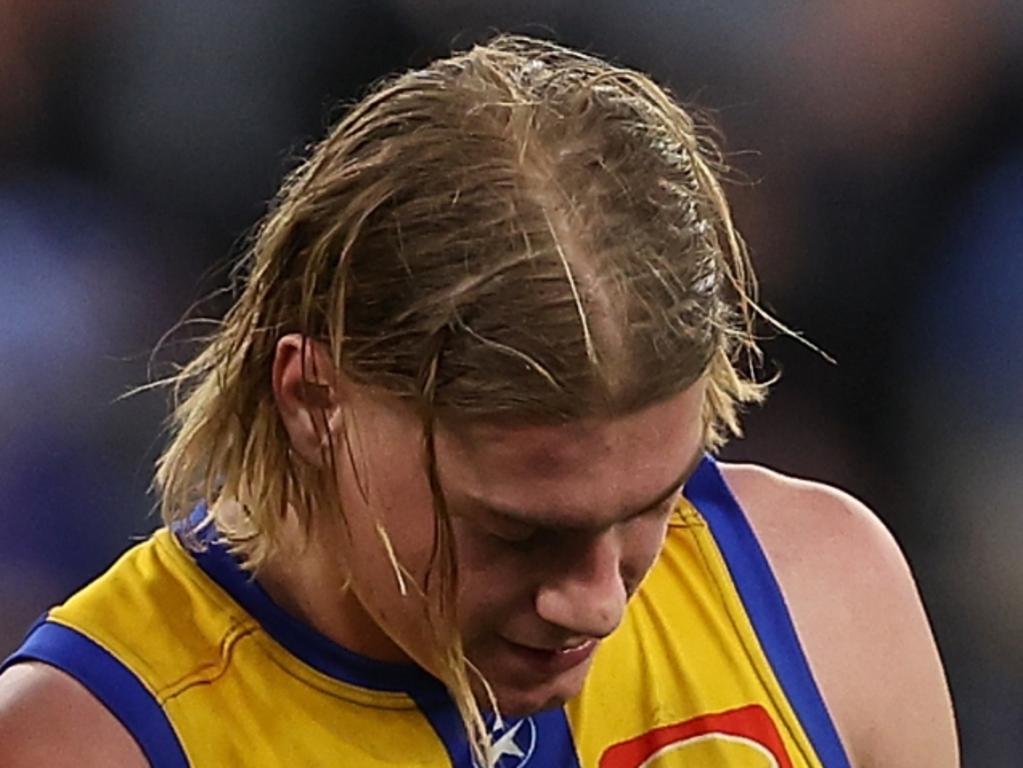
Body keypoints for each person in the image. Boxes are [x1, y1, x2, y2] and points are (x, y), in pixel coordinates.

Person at [0, 35, 957, 767]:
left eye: (650, 506)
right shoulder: (87, 740)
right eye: (516, 533)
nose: (593, 603)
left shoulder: (822, 600)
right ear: (310, 398)